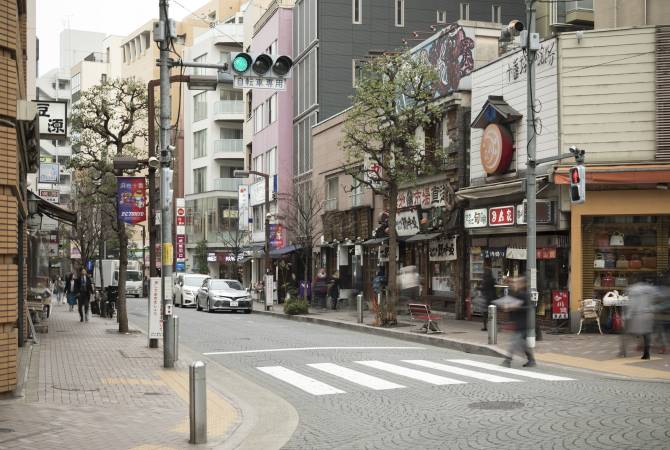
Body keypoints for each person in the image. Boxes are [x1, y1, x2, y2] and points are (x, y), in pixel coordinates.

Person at [502, 277, 536, 368]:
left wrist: (517, 307)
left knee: (514, 341)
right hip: (517, 322)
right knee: (523, 343)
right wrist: (508, 307)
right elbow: (511, 305)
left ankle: (507, 360)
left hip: (523, 323)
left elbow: (529, 307)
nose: (515, 284)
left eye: (517, 282)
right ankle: (531, 360)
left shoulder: (525, 295)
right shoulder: (515, 293)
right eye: (515, 282)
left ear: (522, 284)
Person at [620, 281, 657, 360]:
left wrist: (627, 316)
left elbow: (633, 304)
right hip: (649, 314)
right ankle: (646, 353)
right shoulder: (651, 288)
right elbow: (655, 299)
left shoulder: (633, 289)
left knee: (628, 332)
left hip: (638, 315)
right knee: (647, 334)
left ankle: (623, 352)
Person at [481, 259, 496, 331]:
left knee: (485, 312)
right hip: (492, 296)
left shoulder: (485, 278)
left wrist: (479, 288)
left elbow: (483, 287)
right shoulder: (492, 278)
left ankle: (485, 326)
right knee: (492, 311)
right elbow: (494, 285)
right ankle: (492, 325)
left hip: (486, 297)